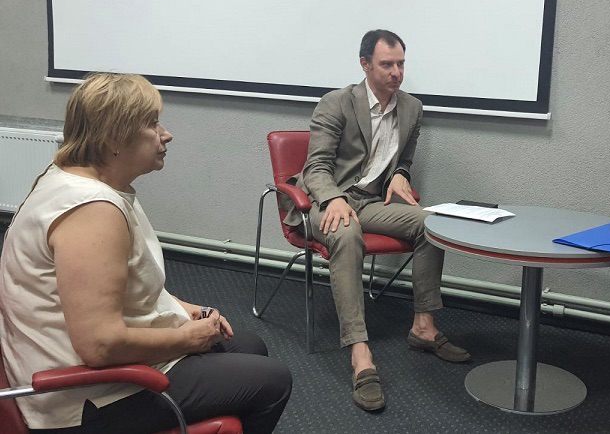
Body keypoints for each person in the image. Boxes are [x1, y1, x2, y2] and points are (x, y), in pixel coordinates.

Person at [0, 73, 292, 434]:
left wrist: (184, 309)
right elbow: (99, 346)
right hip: (83, 398)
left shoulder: (84, 181)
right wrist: (186, 338)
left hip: (85, 369)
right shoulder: (91, 210)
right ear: (113, 140)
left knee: (250, 345)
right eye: (152, 124)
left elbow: (119, 286)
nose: (165, 134)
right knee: (272, 382)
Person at [283, 29, 469, 411]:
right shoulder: (337, 103)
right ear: (365, 64)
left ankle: (423, 326)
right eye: (387, 64)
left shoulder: (412, 108)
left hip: (369, 201)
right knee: (345, 233)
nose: (396, 72)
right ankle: (359, 352)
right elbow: (316, 167)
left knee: (431, 224)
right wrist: (334, 198)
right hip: (324, 200)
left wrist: (401, 173)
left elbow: (404, 159)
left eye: (401, 64)